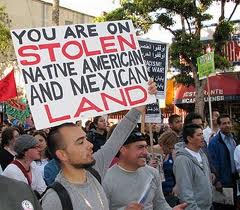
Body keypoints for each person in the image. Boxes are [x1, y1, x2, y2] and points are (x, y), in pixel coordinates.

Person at [41, 80, 158, 210]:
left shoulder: (94, 170)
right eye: (80, 142)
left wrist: (143, 99)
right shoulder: (54, 199)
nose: (90, 145)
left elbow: (118, 136)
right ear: (62, 154)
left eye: (86, 139)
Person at [103, 129, 187, 210]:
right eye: (140, 147)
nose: (146, 153)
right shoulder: (106, 179)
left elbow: (160, 204)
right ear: (123, 149)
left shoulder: (152, 173)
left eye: (146, 147)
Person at [173, 124, 213, 210]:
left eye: (202, 134)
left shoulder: (202, 154)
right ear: (189, 139)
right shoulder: (182, 160)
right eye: (199, 135)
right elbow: (185, 190)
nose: (202, 137)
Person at [208, 114, 237, 210]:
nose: (227, 125)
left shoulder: (233, 139)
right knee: (224, 206)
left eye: (228, 123)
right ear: (219, 126)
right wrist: (217, 180)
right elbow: (212, 162)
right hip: (223, 181)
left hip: (234, 178)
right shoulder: (214, 142)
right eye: (224, 123)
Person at [159, 131, 178, 207]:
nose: (162, 148)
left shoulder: (174, 155)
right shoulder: (160, 155)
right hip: (160, 192)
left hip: (170, 192)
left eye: (163, 145)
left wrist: (177, 185)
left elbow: (179, 173)